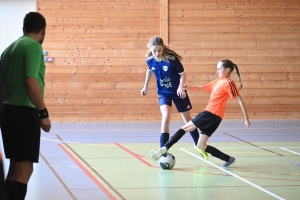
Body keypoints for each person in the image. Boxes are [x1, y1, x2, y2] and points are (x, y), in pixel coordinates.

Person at [150, 59, 251, 168]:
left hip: (210, 114)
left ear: (227, 70)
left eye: (219, 69)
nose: (217, 71)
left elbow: (239, 99)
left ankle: (165, 147)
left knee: (185, 128)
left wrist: (246, 118)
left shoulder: (229, 83)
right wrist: (187, 87)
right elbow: (200, 88)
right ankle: (228, 159)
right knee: (201, 145)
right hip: (215, 118)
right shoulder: (217, 82)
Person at [0, 12, 51, 199]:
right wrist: (43, 113)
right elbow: (31, 81)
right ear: (43, 30)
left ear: (24, 28)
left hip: (7, 111)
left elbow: (2, 88)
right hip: (23, 112)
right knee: (25, 169)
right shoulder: (33, 47)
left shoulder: (9, 49)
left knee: (14, 167)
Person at [141, 36, 199, 149]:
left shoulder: (171, 59)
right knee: (166, 117)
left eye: (159, 50)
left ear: (163, 48)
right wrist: (145, 86)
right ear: (150, 49)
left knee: (188, 120)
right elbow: (149, 70)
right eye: (154, 51)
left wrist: (181, 87)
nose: (157, 53)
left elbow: (183, 74)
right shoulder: (150, 60)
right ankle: (163, 149)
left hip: (178, 91)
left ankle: (198, 144)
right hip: (163, 93)